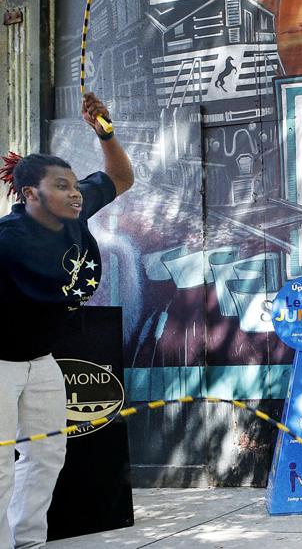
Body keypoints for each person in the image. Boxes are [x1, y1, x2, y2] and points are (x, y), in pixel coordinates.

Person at [0, 92, 133, 549]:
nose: (75, 192)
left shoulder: (74, 215)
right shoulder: (7, 240)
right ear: (31, 193)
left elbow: (120, 176)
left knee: (46, 453)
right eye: (62, 185)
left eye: (75, 184)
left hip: (41, 360)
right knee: (0, 464)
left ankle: (28, 540)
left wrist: (105, 133)